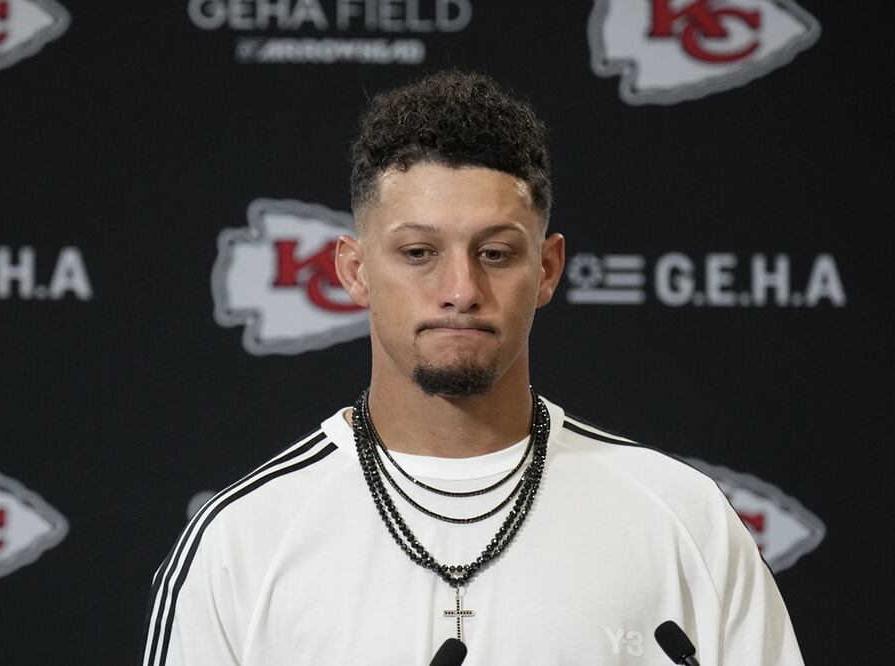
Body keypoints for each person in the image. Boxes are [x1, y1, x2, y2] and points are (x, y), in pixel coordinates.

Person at [141, 70, 804, 666]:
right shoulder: (243, 540)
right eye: (418, 252)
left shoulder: (682, 518)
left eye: (493, 253)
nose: (459, 288)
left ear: (545, 269)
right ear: (354, 269)